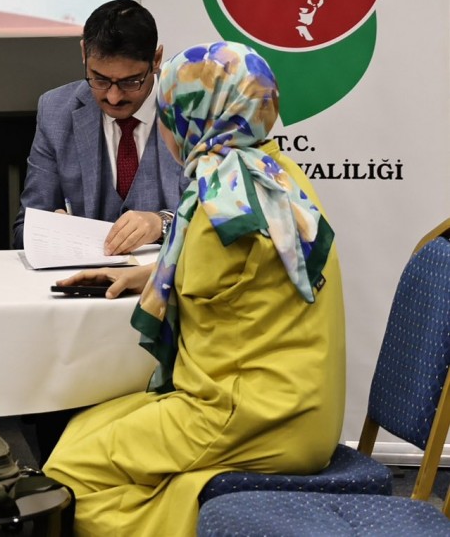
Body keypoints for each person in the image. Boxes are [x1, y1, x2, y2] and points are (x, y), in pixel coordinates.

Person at [42, 41, 345, 537]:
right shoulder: (277, 173)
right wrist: (149, 272)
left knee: (68, 471)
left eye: (166, 113)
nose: (162, 130)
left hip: (247, 414)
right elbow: (240, 280)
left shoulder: (220, 210)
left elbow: (206, 277)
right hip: (298, 406)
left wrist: (155, 276)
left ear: (192, 119)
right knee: (84, 430)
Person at [14, 0, 188, 255]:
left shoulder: (192, 111)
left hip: (172, 276)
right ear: (84, 53)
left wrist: (162, 224)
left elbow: (222, 221)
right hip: (83, 276)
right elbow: (23, 230)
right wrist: (47, 230)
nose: (114, 97)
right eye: (100, 79)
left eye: (130, 82)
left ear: (156, 59)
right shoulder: (56, 111)